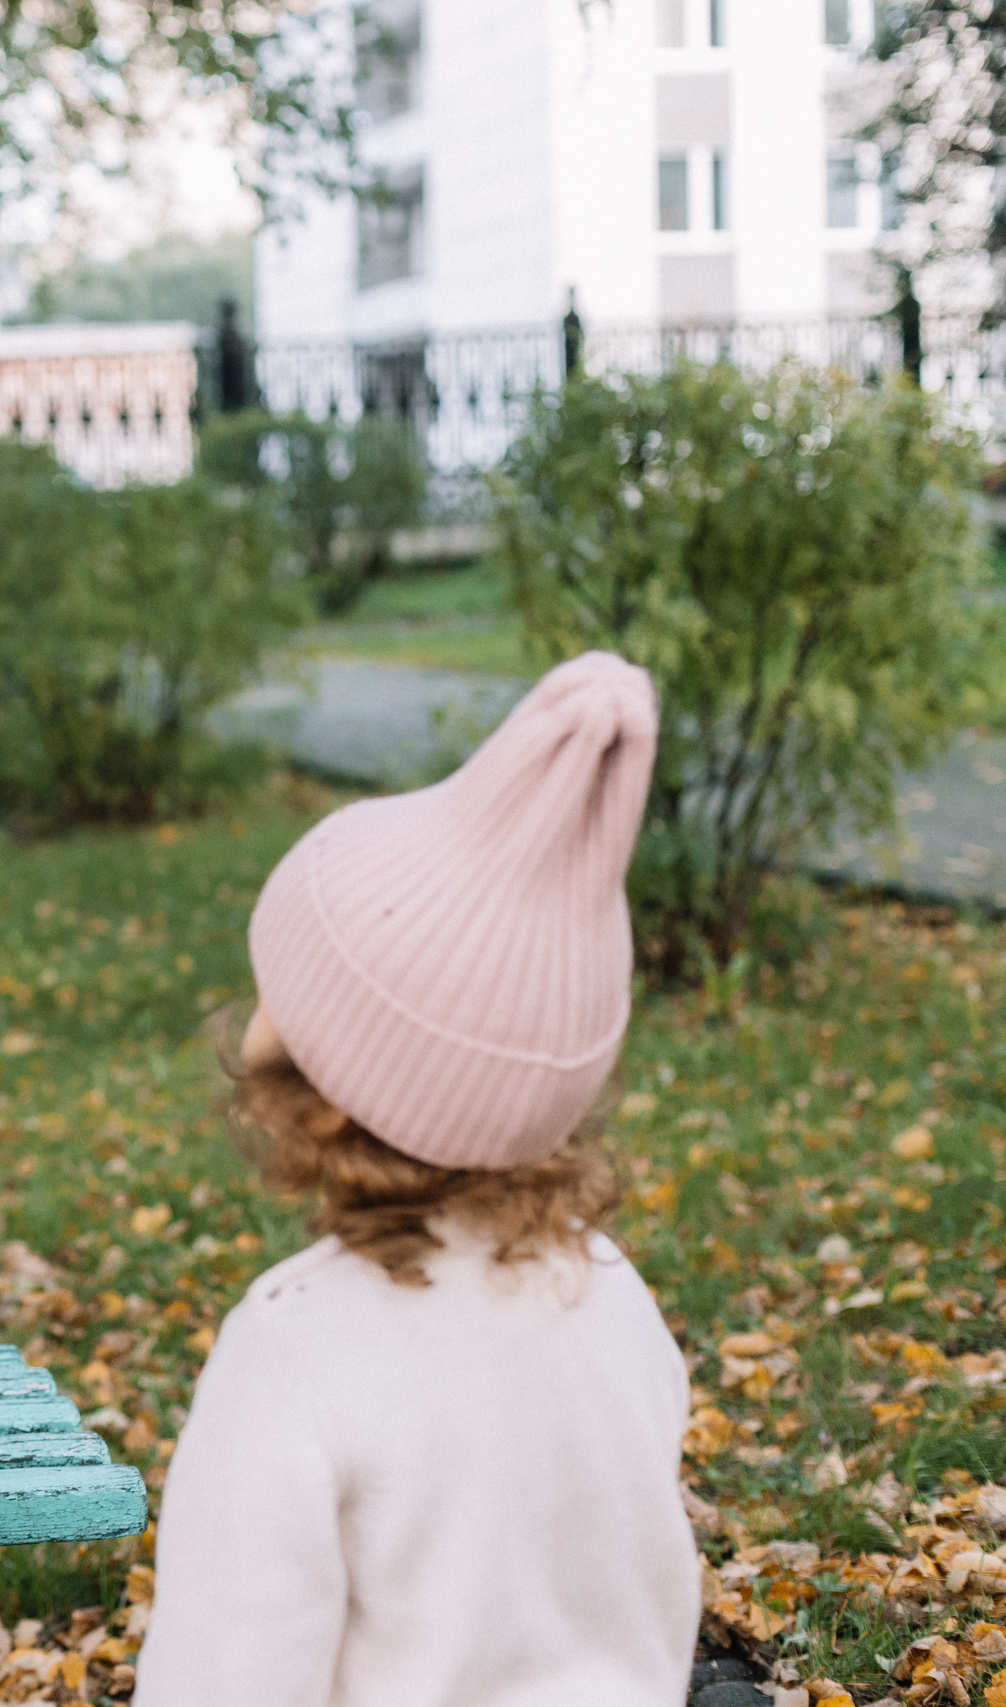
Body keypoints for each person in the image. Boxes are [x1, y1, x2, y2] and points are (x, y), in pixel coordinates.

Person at [133, 652, 700, 1706]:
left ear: (329, 1093)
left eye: (280, 992)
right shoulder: (616, 1304)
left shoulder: (294, 1357)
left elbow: (223, 1682)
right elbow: (651, 1619)